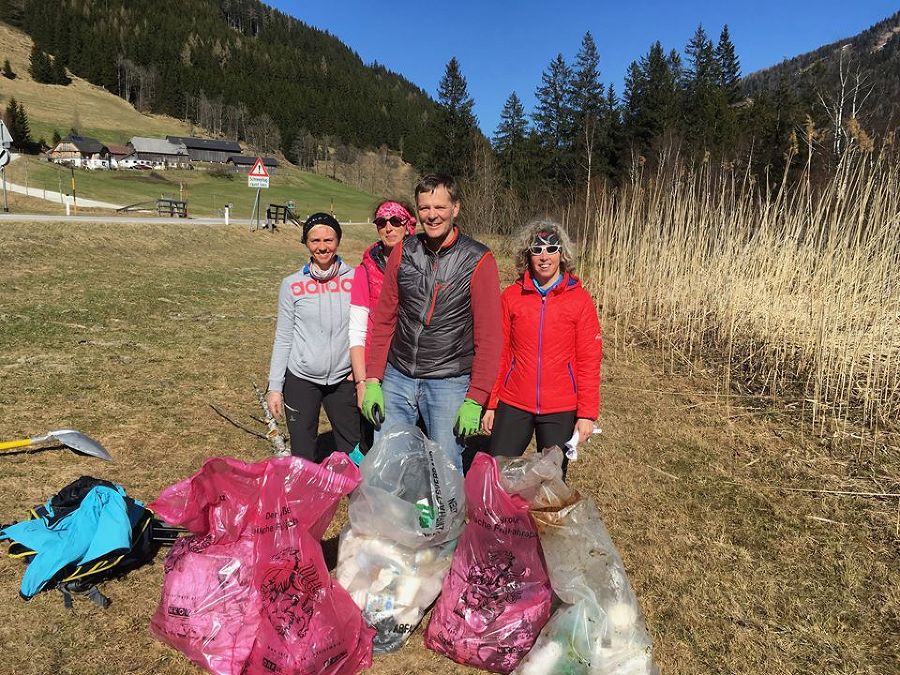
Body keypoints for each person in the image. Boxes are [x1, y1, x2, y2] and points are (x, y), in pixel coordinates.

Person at [361, 174, 502, 472]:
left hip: (449, 380)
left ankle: (447, 520)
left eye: (439, 206)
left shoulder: (478, 260)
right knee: (389, 462)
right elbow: (385, 320)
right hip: (398, 377)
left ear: (456, 208)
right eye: (424, 208)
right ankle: (393, 519)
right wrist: (373, 379)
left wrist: (476, 398)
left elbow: (489, 338)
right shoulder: (404, 251)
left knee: (445, 468)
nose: (432, 215)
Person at [481, 218, 602, 477]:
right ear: (528, 255)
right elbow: (499, 353)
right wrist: (491, 403)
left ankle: (544, 519)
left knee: (551, 480)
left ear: (562, 254)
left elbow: (589, 359)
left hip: (560, 406)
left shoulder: (579, 299)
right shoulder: (512, 296)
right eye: (537, 249)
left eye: (551, 248)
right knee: (498, 473)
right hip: (514, 401)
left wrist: (586, 415)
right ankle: (497, 518)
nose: (544, 256)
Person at [265, 212, 360, 461]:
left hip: (343, 377)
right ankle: (305, 497)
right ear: (306, 243)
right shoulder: (292, 284)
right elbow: (284, 337)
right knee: (304, 449)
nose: (322, 247)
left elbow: (365, 328)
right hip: (301, 379)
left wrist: (361, 371)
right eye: (315, 240)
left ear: (338, 241)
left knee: (353, 446)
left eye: (328, 240)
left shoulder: (357, 279)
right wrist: (275, 387)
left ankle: (358, 496)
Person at [348, 199, 417, 450]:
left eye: (395, 221)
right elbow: (356, 332)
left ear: (409, 224)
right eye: (381, 222)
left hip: (416, 367)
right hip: (376, 370)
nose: (388, 228)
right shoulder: (364, 271)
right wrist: (361, 381)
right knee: (376, 442)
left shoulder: (425, 265)